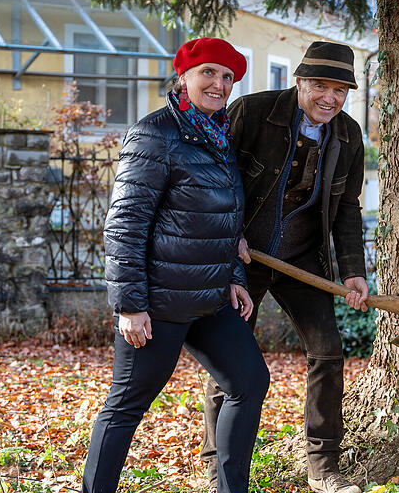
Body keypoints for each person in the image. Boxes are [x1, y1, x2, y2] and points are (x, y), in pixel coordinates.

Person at [83, 37, 270, 493]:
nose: (219, 84)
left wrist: (233, 276)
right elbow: (125, 225)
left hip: (209, 299)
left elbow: (225, 221)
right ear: (183, 77)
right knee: (126, 406)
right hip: (159, 304)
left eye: (227, 77)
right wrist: (130, 305)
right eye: (208, 72)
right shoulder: (155, 134)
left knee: (249, 381)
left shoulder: (219, 137)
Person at [200, 41, 370, 493]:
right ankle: (217, 465)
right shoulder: (252, 113)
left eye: (339, 90)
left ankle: (323, 465)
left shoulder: (349, 136)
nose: (329, 98)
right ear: (299, 82)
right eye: (319, 86)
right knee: (230, 359)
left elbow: (347, 207)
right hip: (242, 257)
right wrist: (227, 234)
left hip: (302, 259)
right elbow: (215, 175)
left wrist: (352, 269)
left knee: (328, 353)